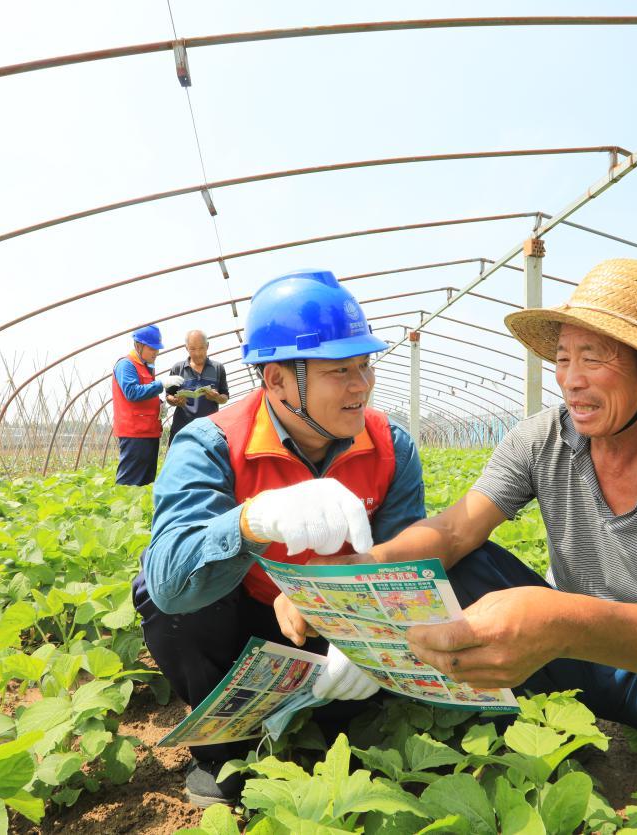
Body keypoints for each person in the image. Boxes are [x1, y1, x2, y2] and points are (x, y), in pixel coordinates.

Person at [276, 259, 637, 825]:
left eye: (595, 358)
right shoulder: (541, 438)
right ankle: (526, 737)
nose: (570, 378)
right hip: (567, 662)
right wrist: (348, 575)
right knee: (465, 563)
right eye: (562, 358)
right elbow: (455, 530)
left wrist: (559, 618)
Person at [131, 269, 428, 807]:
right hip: (247, 619)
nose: (361, 384)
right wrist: (251, 521)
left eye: (365, 365)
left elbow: (407, 564)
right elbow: (171, 576)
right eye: (340, 370)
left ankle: (339, 727)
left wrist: (363, 628)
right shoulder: (212, 442)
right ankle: (224, 754)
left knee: (350, 716)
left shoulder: (391, 446)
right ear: (276, 380)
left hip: (340, 632)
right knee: (162, 596)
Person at [111, 325, 183, 486]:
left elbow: (145, 394)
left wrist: (159, 404)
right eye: (152, 349)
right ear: (138, 345)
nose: (156, 353)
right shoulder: (126, 365)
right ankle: (121, 510)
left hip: (149, 431)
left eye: (157, 349)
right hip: (134, 433)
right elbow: (132, 392)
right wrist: (161, 384)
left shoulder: (146, 367)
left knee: (146, 480)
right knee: (130, 481)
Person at [166, 329, 230, 447]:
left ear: (207, 346)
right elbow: (168, 396)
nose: (197, 353)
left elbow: (225, 396)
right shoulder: (177, 368)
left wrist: (217, 398)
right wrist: (175, 401)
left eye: (201, 348)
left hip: (209, 431)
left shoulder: (218, 368)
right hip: (182, 429)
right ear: (186, 348)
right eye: (193, 349)